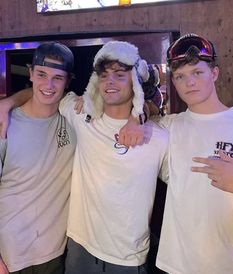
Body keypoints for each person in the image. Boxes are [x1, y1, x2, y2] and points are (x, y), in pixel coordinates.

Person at [59, 41, 168, 274]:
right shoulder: (81, 116)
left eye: (120, 75)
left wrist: (143, 112)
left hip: (128, 258)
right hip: (80, 249)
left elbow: (185, 183)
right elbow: (48, 95)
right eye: (104, 75)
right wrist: (8, 101)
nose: (110, 81)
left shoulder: (158, 137)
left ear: (135, 83)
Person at [155, 33, 233, 274]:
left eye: (197, 73)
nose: (189, 82)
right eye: (180, 76)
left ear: (214, 73)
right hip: (176, 264)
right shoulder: (168, 126)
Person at [0, 42, 76, 274]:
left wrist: (139, 115)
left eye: (58, 78)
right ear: (31, 73)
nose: (49, 85)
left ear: (68, 81)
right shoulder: (5, 123)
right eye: (41, 74)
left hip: (55, 254)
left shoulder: (74, 120)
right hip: (9, 255)